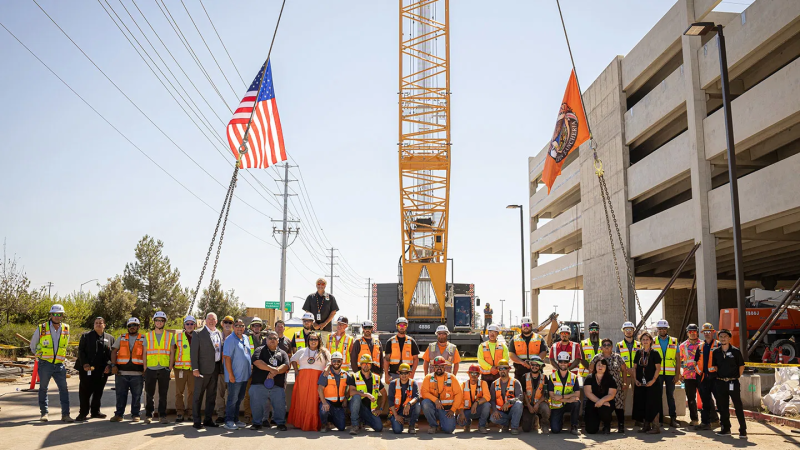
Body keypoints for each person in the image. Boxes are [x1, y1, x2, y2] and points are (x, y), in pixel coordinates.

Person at [30, 304, 73, 422]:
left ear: (62, 315)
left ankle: (65, 415)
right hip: (45, 364)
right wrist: (40, 355)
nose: (57, 316)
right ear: (51, 315)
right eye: (55, 314)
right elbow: (33, 345)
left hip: (59, 365)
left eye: (59, 314)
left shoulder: (66, 328)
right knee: (43, 388)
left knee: (64, 390)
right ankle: (44, 413)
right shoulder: (42, 328)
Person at [709, 329, 747, 438]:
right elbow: (715, 366)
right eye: (721, 337)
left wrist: (736, 377)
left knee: (738, 406)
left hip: (733, 382)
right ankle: (726, 429)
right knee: (723, 406)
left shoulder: (735, 351)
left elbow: (741, 366)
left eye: (725, 336)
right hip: (720, 383)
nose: (723, 338)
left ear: (729, 338)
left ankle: (743, 430)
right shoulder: (716, 352)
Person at [249, 330, 289, 431]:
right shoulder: (259, 350)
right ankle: (257, 423)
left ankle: (280, 423)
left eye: (274, 338)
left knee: (280, 405)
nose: (272, 340)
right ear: (266, 340)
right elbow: (257, 362)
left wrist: (276, 371)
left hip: (277, 385)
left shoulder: (283, 353)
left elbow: (286, 366)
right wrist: (272, 369)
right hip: (259, 384)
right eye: (270, 338)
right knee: (256, 404)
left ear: (278, 340)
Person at [289, 331, 330, 431]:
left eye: (315, 339)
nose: (313, 341)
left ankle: (314, 424)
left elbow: (330, 362)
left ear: (319, 341)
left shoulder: (324, 352)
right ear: (308, 341)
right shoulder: (302, 351)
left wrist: (327, 369)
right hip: (303, 379)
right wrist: (296, 370)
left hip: (317, 379)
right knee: (302, 401)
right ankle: (300, 422)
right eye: (311, 339)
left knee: (314, 402)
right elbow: (293, 359)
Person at [76, 316, 114, 421]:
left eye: (100, 323)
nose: (98, 325)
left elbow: (112, 354)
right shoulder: (86, 336)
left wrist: (109, 365)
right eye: (96, 323)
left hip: (102, 370)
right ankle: (83, 413)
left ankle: (95, 411)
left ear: (104, 325)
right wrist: (85, 364)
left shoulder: (110, 338)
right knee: (85, 392)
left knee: (98, 391)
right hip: (87, 369)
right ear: (93, 325)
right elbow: (81, 351)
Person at [191, 312, 224, 429]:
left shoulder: (219, 333)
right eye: (209, 319)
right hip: (202, 370)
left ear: (216, 321)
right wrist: (195, 368)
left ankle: (208, 419)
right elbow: (193, 353)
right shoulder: (198, 333)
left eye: (213, 319)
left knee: (211, 396)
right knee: (198, 396)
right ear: (205, 320)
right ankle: (196, 421)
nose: (211, 321)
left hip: (215, 369)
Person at [589, 338, 628, 433]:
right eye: (604, 345)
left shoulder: (617, 357)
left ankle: (621, 425)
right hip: (603, 387)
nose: (606, 347)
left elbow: (624, 370)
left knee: (619, 406)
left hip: (617, 386)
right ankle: (606, 426)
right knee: (605, 405)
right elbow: (591, 369)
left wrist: (624, 382)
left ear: (612, 346)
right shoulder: (597, 357)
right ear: (601, 347)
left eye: (608, 345)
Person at [142, 311, 174, 424]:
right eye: (157, 320)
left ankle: (162, 416)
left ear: (164, 322)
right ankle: (148, 415)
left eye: (161, 320)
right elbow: (144, 353)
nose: (159, 322)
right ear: (154, 322)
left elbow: (172, 352)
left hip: (164, 369)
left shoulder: (169, 336)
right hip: (150, 369)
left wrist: (170, 367)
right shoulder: (148, 335)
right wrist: (145, 368)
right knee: (149, 394)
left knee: (163, 395)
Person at [222, 319, 253, 430]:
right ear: (233, 327)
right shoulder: (230, 340)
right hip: (234, 376)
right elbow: (227, 358)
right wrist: (230, 375)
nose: (239, 328)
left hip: (244, 376)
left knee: (239, 399)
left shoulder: (245, 338)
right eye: (237, 325)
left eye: (242, 325)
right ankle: (229, 421)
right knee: (232, 399)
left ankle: (235, 419)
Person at [421, 356, 463, 434]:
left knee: (449, 430)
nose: (439, 368)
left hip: (447, 410)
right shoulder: (428, 378)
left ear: (445, 367)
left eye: (441, 366)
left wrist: (453, 410)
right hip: (434, 408)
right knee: (425, 403)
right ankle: (433, 426)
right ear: (433, 367)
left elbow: (458, 394)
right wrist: (436, 400)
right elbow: (424, 392)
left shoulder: (452, 378)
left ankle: (442, 424)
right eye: (437, 366)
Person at [347, 354, 387, 435]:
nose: (366, 365)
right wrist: (366, 394)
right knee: (357, 397)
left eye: (368, 363)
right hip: (356, 406)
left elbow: (384, 393)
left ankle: (363, 420)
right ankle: (355, 425)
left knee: (379, 427)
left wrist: (381, 408)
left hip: (369, 409)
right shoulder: (354, 376)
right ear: (360, 365)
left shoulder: (376, 378)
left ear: (371, 365)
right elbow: (351, 392)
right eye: (364, 363)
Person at [633, 331, 662, 434]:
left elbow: (658, 368)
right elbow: (635, 367)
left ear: (651, 341)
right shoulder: (638, 353)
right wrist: (635, 379)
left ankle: (656, 427)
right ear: (641, 341)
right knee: (643, 403)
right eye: (643, 339)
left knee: (652, 404)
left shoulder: (655, 353)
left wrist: (653, 380)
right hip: (641, 383)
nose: (645, 341)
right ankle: (646, 426)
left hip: (652, 383)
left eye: (647, 339)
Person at [693, 322, 720, 431]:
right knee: (705, 401)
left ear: (713, 332)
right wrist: (698, 374)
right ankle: (705, 423)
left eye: (709, 331)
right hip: (703, 377)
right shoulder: (700, 346)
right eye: (705, 332)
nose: (707, 334)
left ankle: (723, 423)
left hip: (716, 377)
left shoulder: (718, 345)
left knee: (720, 400)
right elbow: (695, 361)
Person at [653, 319, 680, 428]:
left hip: (670, 374)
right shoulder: (653, 341)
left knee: (670, 396)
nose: (662, 330)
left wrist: (677, 374)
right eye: (660, 329)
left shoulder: (674, 341)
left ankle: (673, 419)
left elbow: (678, 359)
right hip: (657, 374)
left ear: (667, 329)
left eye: (664, 328)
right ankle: (659, 420)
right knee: (657, 396)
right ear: (657, 330)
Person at [548, 351, 580, 435]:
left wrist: (562, 397)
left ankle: (574, 426)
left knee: (576, 402)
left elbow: (577, 394)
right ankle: (560, 421)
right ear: (558, 362)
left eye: (565, 362)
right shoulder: (552, 377)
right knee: (555, 430)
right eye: (561, 361)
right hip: (557, 405)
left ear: (568, 363)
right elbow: (552, 395)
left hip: (568, 404)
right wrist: (568, 399)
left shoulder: (573, 377)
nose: (563, 364)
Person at [584, 358, 618, 434]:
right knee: (591, 430)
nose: (600, 367)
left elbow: (611, 394)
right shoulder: (589, 378)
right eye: (598, 365)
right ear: (595, 366)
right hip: (593, 403)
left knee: (605, 409)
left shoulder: (611, 379)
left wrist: (602, 401)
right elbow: (588, 393)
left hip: (607, 402)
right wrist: (599, 402)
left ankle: (606, 425)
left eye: (603, 365)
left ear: (606, 367)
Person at [489, 359, 523, 434]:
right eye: (500, 369)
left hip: (512, 410)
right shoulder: (494, 384)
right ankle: (506, 424)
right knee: (493, 418)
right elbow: (492, 400)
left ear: (508, 369)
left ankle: (514, 427)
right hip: (501, 411)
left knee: (519, 404)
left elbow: (520, 397)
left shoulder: (515, 382)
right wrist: (495, 411)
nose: (502, 370)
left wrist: (510, 402)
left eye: (504, 368)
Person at [318, 351, 349, 432]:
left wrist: (345, 399)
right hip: (327, 402)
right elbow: (320, 389)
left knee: (342, 428)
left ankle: (331, 420)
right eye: (334, 361)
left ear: (341, 361)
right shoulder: (325, 374)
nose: (336, 363)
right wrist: (324, 402)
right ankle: (324, 424)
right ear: (331, 362)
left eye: (338, 361)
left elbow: (350, 388)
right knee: (323, 410)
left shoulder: (346, 374)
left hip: (338, 405)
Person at [616, 321, 641, 424]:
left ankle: (638, 420)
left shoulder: (639, 345)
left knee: (638, 398)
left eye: (630, 329)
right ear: (623, 331)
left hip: (636, 375)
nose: (629, 331)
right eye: (626, 329)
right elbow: (618, 361)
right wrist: (627, 370)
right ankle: (621, 421)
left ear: (633, 331)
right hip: (624, 376)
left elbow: (641, 360)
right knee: (622, 398)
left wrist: (634, 371)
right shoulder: (619, 345)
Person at [172, 315, 196, 423]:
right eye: (187, 324)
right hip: (180, 369)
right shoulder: (177, 337)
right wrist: (171, 366)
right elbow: (172, 352)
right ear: (184, 325)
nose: (189, 326)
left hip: (193, 369)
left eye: (191, 324)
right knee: (179, 392)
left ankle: (191, 413)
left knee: (192, 392)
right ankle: (180, 413)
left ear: (194, 325)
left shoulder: (198, 337)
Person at [302, 277, 339, 342]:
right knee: (312, 346)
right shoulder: (310, 297)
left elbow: (333, 312)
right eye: (319, 284)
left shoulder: (330, 297)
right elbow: (307, 312)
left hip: (326, 329)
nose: (320, 285)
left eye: (323, 284)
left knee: (324, 347)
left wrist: (324, 323)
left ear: (325, 285)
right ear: (316, 285)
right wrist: (313, 323)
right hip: (313, 329)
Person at [387, 362, 421, 434]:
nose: (404, 375)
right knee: (397, 430)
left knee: (417, 405)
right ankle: (396, 420)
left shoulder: (413, 383)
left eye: (406, 373)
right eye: (402, 373)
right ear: (399, 373)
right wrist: (396, 415)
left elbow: (416, 397)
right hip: (396, 411)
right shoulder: (393, 383)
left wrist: (409, 404)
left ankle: (411, 426)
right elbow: (390, 401)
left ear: (409, 374)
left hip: (407, 409)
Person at [457, 364, 491, 433]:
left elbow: (487, 396)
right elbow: (459, 400)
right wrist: (461, 413)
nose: (473, 375)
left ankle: (481, 426)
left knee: (487, 405)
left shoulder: (483, 383)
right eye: (471, 373)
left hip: (478, 409)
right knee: (460, 422)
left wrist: (476, 403)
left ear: (479, 375)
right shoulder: (463, 385)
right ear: (468, 374)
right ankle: (467, 424)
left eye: (476, 373)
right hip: (467, 410)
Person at [242, 317, 264, 423]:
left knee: (261, 394)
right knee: (248, 394)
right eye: (254, 325)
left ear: (261, 327)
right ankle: (247, 415)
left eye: (258, 325)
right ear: (251, 327)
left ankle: (259, 416)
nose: (256, 327)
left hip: (261, 371)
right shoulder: (246, 338)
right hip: (249, 370)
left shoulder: (265, 339)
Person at [679, 323, 702, 426]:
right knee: (691, 399)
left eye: (694, 331)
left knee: (705, 397)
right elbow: (678, 361)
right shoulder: (682, 346)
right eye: (690, 332)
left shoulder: (702, 344)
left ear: (697, 332)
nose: (692, 333)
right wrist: (679, 374)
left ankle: (711, 419)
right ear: (687, 333)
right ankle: (694, 420)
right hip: (688, 376)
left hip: (701, 375)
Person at [521, 356, 550, 434]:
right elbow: (523, 393)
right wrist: (529, 405)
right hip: (528, 405)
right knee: (526, 429)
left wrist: (538, 403)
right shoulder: (524, 377)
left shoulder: (544, 378)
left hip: (540, 403)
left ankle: (544, 425)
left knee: (545, 408)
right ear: (530, 365)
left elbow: (545, 394)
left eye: (537, 365)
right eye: (532, 365)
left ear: (540, 366)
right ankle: (535, 420)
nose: (534, 367)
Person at [214, 315, 235, 423]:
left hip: (232, 371)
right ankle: (220, 415)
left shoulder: (236, 337)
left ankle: (230, 415)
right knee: (219, 395)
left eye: (230, 322)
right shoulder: (216, 336)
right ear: (222, 323)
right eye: (226, 322)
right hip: (220, 372)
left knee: (231, 395)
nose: (227, 324)